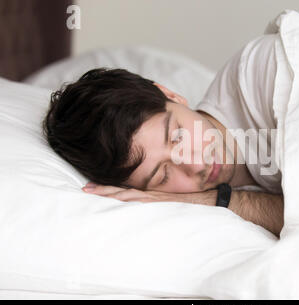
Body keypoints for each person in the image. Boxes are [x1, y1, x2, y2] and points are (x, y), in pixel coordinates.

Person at [43, 34, 284, 237]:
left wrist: (222, 201)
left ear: (171, 95)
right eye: (163, 175)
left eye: (178, 136)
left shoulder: (270, 71)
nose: (196, 164)